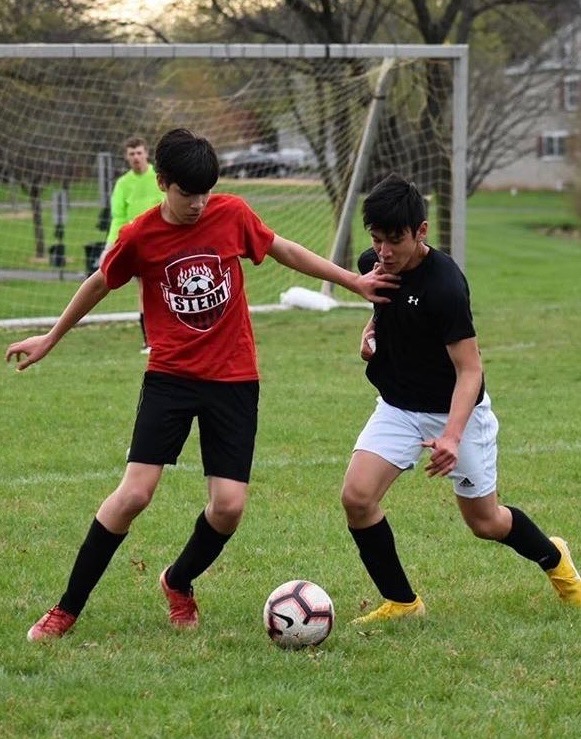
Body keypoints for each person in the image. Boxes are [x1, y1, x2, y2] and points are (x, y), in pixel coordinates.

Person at [5, 128, 398, 642]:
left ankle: (178, 580)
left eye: (205, 192)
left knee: (230, 506)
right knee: (134, 495)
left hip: (234, 378)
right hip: (170, 377)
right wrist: (52, 337)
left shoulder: (231, 214)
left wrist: (353, 281)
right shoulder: (140, 236)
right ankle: (65, 610)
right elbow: (99, 282)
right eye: (187, 193)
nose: (198, 204)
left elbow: (284, 249)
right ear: (164, 183)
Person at [341, 173, 581, 623]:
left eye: (394, 240)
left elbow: (470, 370)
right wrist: (369, 338)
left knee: (485, 522)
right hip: (398, 407)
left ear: (422, 231)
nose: (384, 251)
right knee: (357, 497)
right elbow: (386, 320)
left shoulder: (445, 287)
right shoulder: (374, 264)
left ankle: (556, 560)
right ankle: (403, 602)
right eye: (377, 240)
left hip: (457, 413)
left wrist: (452, 436)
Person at [103, 135, 164, 353]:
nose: (136, 157)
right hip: (138, 245)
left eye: (139, 152)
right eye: (132, 154)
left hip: (163, 242)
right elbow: (118, 217)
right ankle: (150, 341)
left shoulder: (159, 178)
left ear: (146, 153)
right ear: (126, 157)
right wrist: (110, 245)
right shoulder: (122, 184)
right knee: (145, 290)